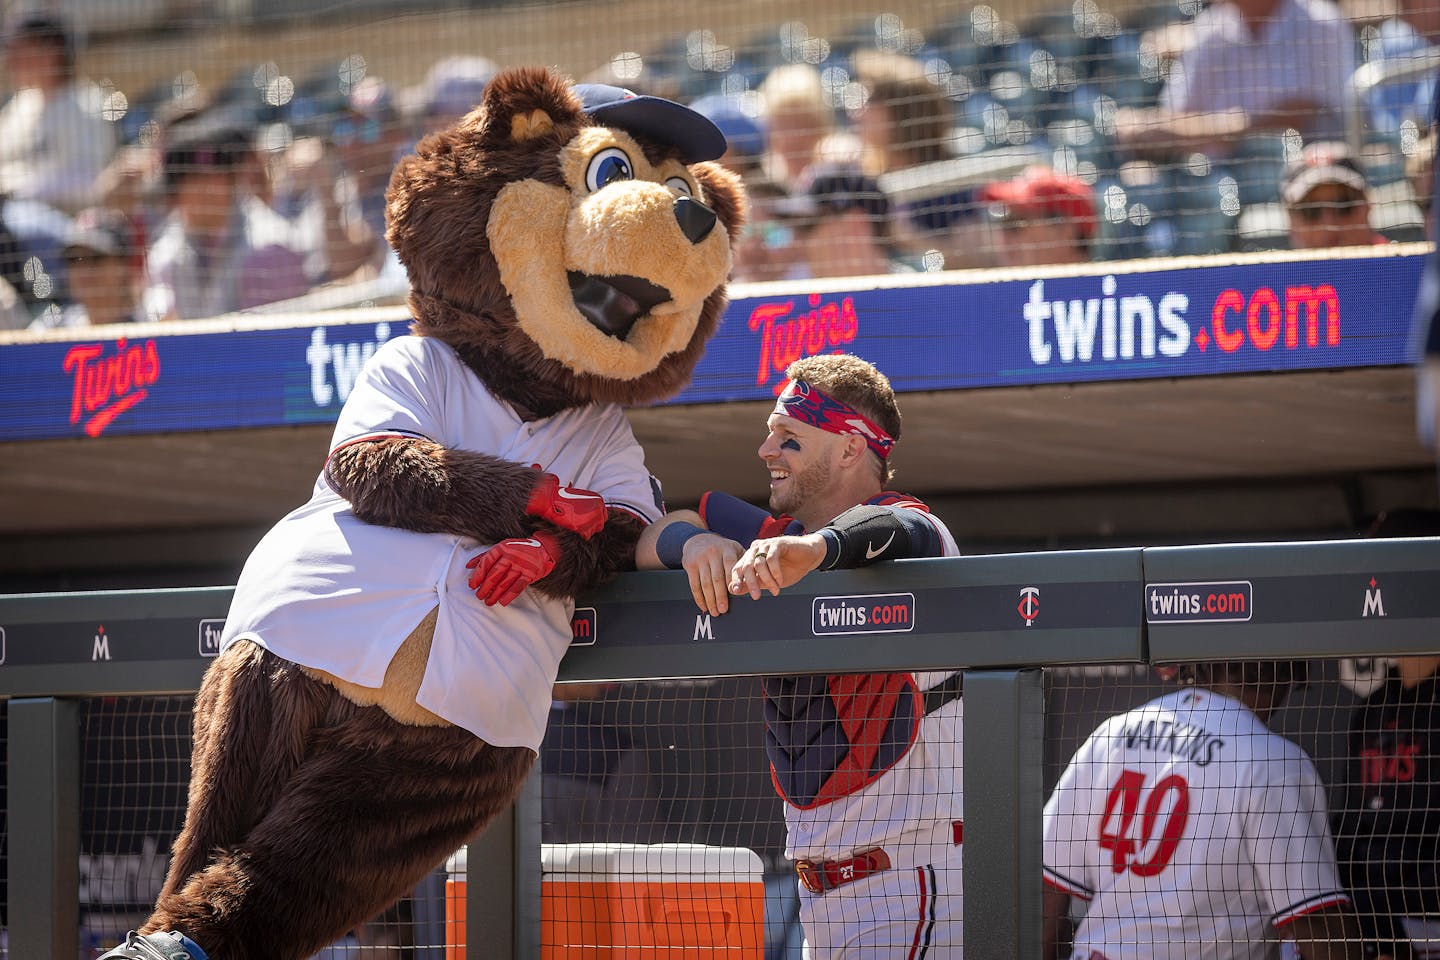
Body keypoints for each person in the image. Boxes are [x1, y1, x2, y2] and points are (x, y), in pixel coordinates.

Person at [636, 353, 964, 958]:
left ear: (847, 448)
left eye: (788, 438)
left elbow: (893, 528)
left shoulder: (919, 532)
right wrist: (696, 543)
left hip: (913, 883)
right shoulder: (771, 540)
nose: (766, 451)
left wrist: (815, 549)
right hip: (817, 896)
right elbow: (663, 526)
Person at [1042, 659, 1365, 960]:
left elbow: (1042, 898)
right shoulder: (1272, 761)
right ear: (1276, 675)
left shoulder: (1110, 734)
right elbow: (1316, 926)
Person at [1114, 0, 1355, 158]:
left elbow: (1296, 116)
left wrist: (1220, 126)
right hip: (1216, 175)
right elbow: (1178, 115)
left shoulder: (1320, 21)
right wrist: (1146, 125)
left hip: (1313, 169)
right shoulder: (1210, 27)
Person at [143, 117, 314, 320]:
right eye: (192, 182)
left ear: (230, 182)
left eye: (211, 180)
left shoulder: (269, 246)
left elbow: (274, 341)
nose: (203, 192)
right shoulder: (168, 250)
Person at [0, 11, 116, 215]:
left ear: (51, 52)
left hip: (67, 228)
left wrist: (20, 190)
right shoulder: (22, 103)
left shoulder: (87, 105)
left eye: (19, 50)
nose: (11, 61)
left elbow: (91, 180)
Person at [776, 165, 908, 278]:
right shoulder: (801, 297)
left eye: (807, 227)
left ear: (856, 225)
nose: (796, 243)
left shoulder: (918, 291)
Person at [29, 207, 148, 330]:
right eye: (74, 259)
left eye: (95, 257)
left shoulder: (151, 331)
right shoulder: (50, 330)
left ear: (123, 265)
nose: (83, 269)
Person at [978, 166, 1095, 268]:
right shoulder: (1005, 292)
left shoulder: (1106, 290)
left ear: (1067, 233)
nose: (1003, 236)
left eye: (1013, 225)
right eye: (1002, 222)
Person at [1282, 142, 1387, 251]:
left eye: (1343, 206)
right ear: (1291, 220)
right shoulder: (1276, 267)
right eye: (1312, 211)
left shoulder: (1397, 262)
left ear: (1367, 206)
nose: (1329, 223)